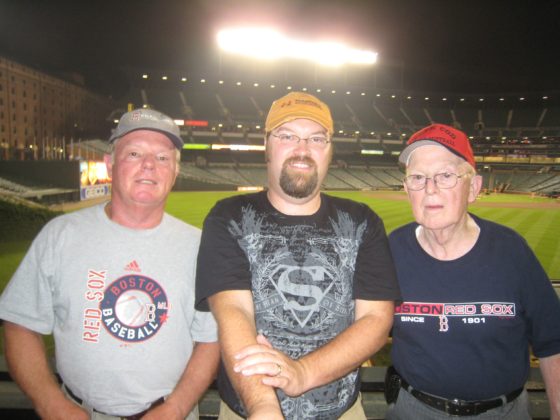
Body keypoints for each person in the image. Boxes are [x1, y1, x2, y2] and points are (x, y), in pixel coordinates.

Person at [0, 108, 220, 420]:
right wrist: (50, 403)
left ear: (174, 172)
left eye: (162, 157)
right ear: (110, 164)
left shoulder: (200, 247)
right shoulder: (60, 235)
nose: (149, 165)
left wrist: (177, 408)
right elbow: (20, 324)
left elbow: (210, 339)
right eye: (134, 153)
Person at [195, 92, 401, 419]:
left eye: (316, 138)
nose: (302, 149)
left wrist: (302, 373)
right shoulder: (229, 217)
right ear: (267, 145)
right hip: (248, 409)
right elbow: (233, 311)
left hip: (342, 412)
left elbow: (375, 319)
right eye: (287, 136)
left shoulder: (362, 222)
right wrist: (263, 406)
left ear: (330, 150)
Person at [385, 123, 560, 419]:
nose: (430, 188)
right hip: (412, 410)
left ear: (474, 188)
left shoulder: (511, 250)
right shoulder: (390, 249)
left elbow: (552, 340)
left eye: (446, 175)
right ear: (406, 189)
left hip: (503, 412)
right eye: (417, 177)